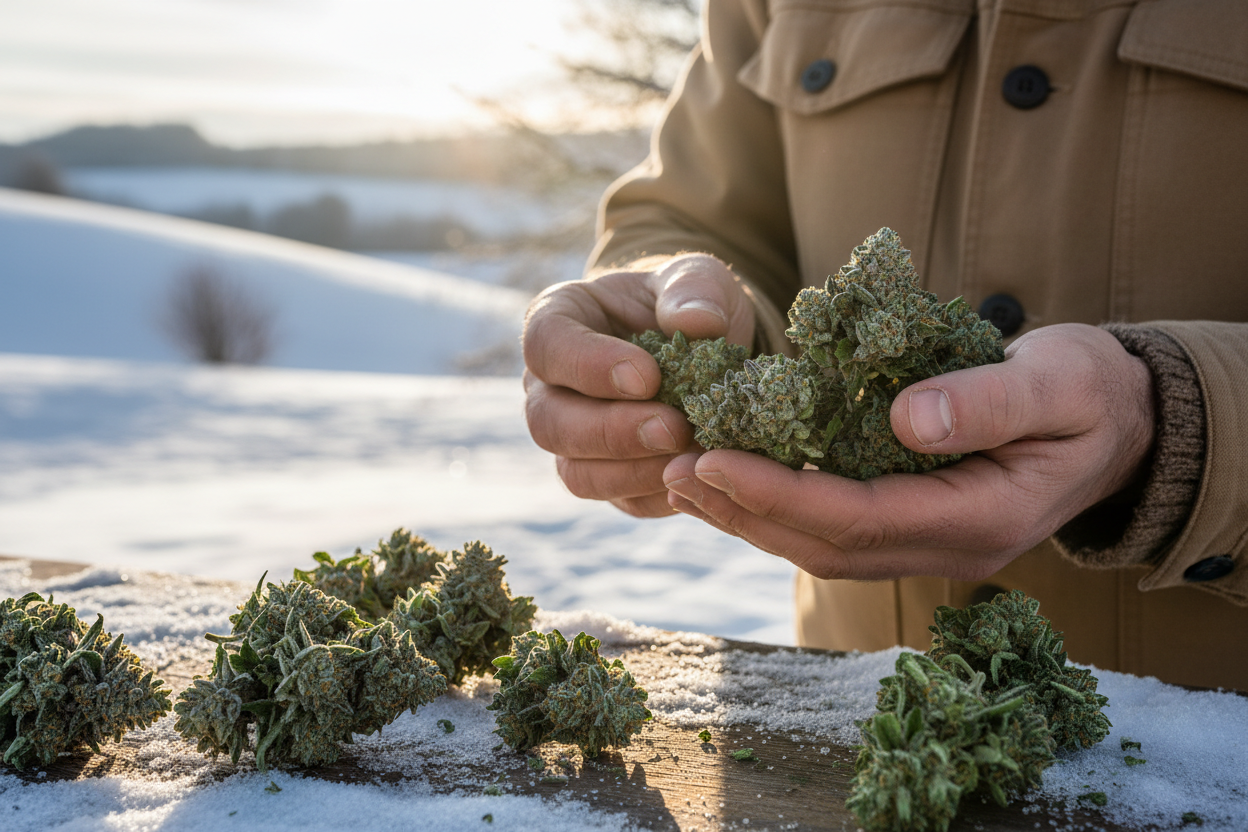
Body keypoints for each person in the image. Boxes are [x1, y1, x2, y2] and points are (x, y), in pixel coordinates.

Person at [522, 0, 1248, 689]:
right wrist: (669, 308)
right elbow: (701, 213)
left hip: (1210, 744)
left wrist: (1175, 424)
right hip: (852, 713)